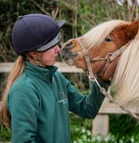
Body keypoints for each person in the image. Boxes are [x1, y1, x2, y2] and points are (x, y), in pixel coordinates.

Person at [0, 13, 109, 143]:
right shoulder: (23, 90)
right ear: (34, 54)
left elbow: (87, 109)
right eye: (51, 46)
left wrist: (103, 76)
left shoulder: (56, 78)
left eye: (57, 42)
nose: (58, 49)